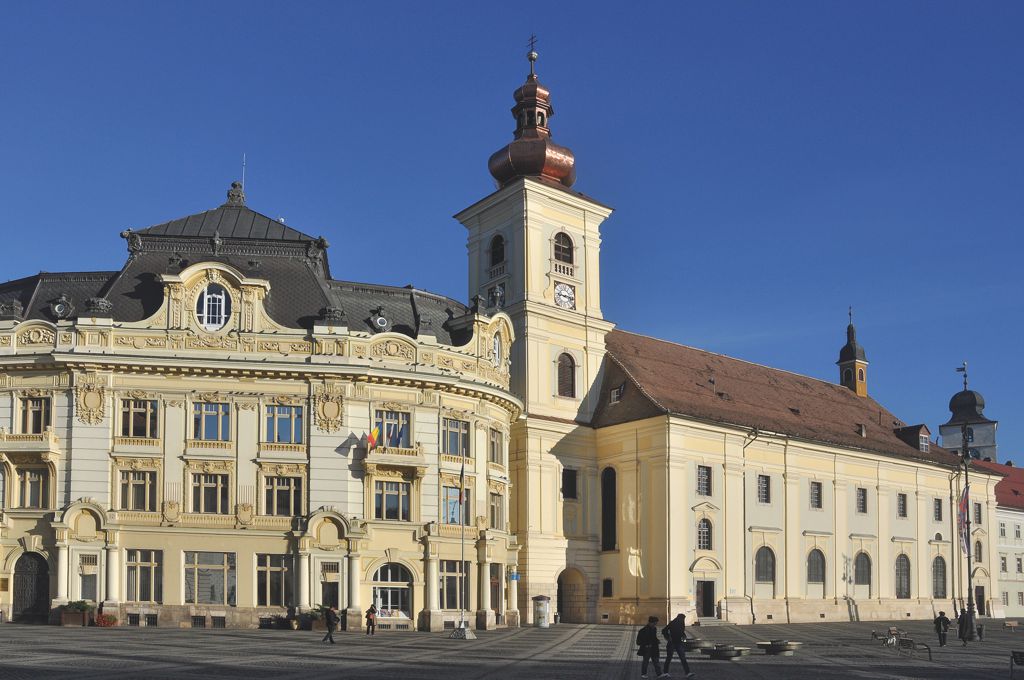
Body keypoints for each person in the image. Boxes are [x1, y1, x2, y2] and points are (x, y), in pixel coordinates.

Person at [663, 613, 696, 678]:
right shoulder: (672, 623)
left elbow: (681, 631)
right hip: (671, 643)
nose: (683, 620)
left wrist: (683, 635)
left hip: (678, 643)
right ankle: (665, 672)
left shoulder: (681, 623)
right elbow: (664, 630)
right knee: (669, 658)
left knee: (683, 658)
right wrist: (668, 637)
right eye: (682, 619)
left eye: (683, 619)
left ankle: (687, 673)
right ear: (679, 618)